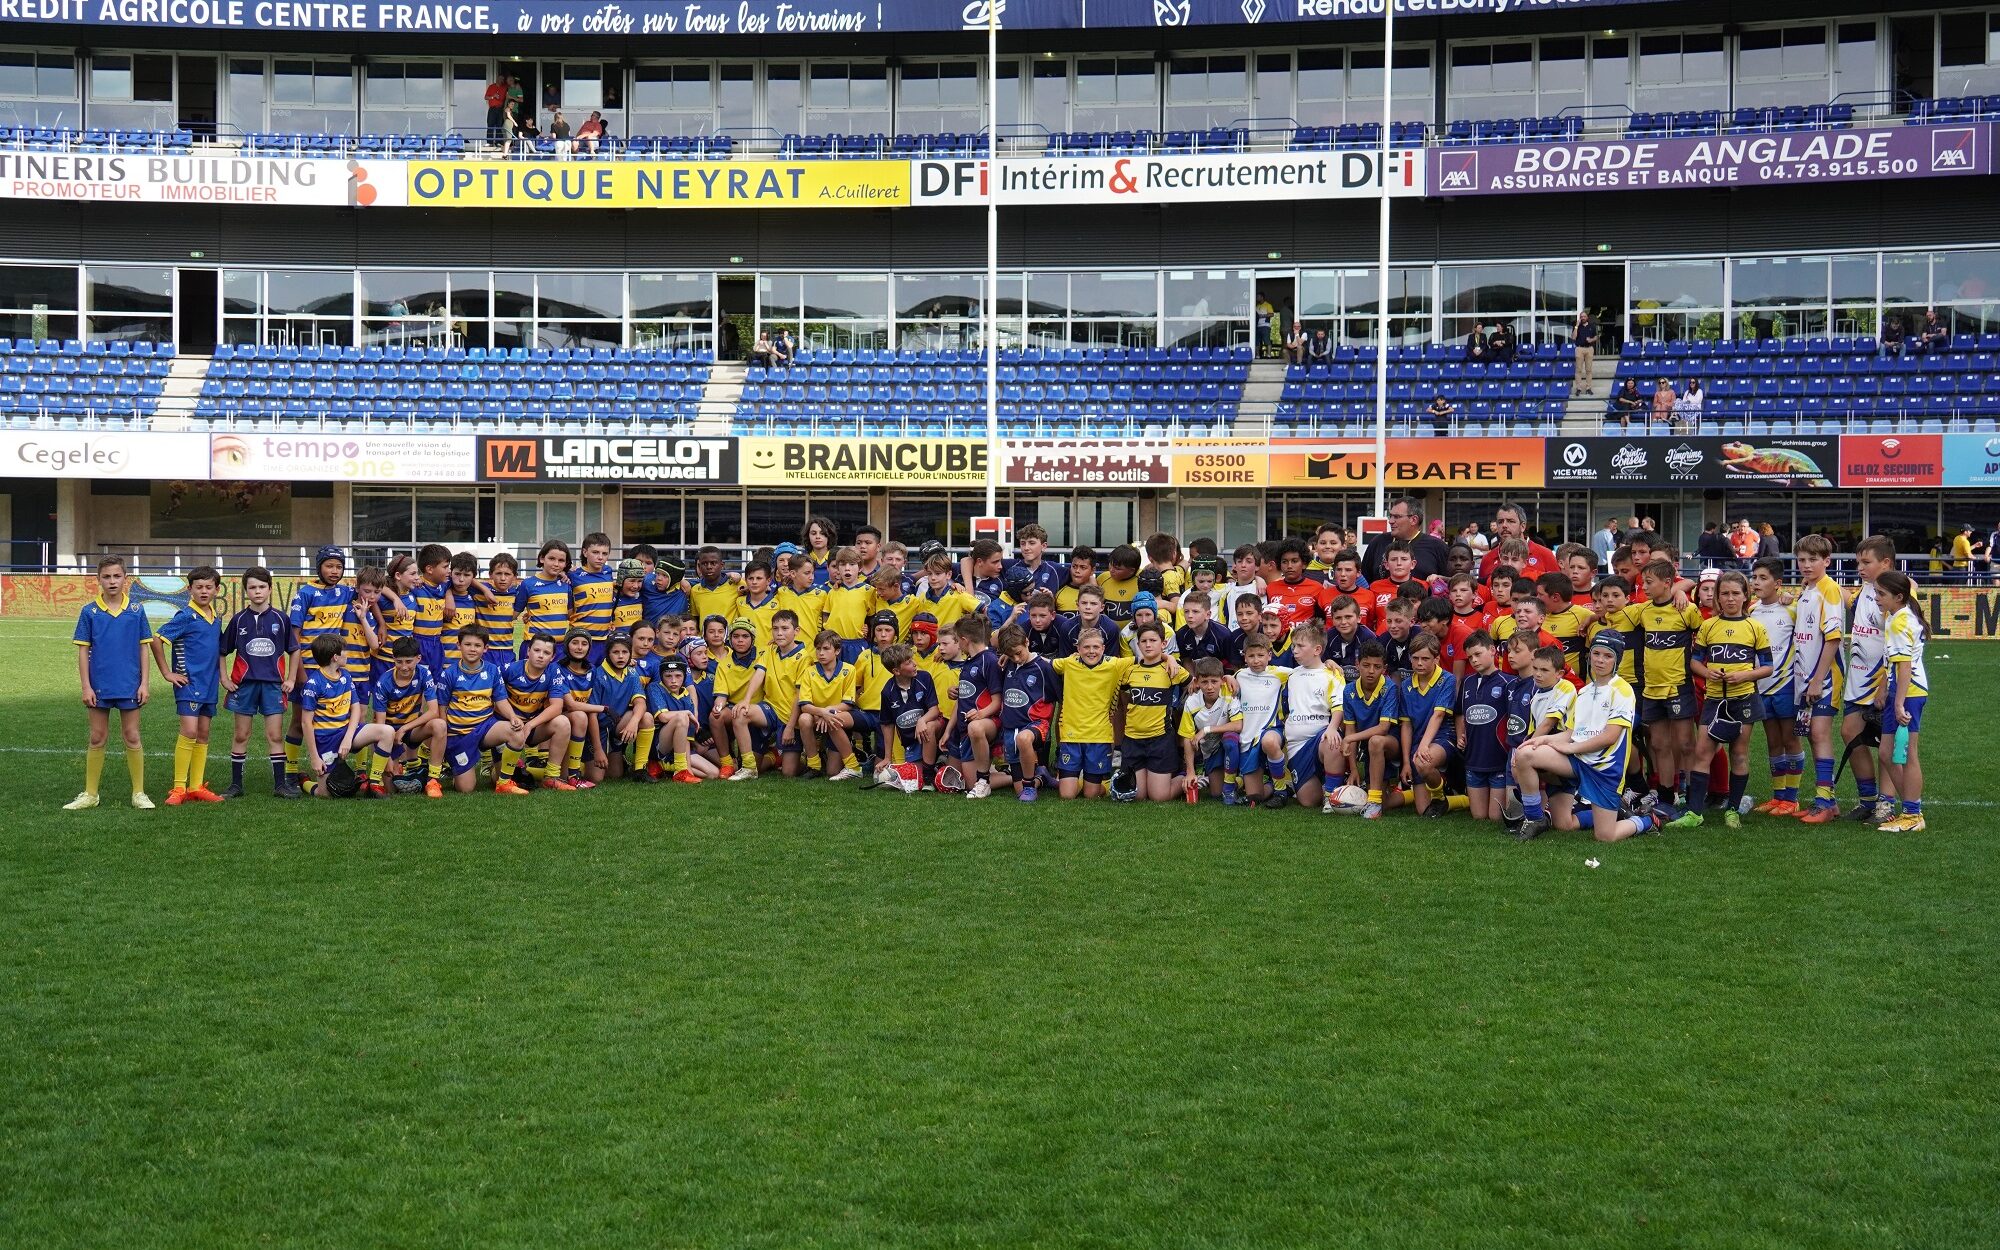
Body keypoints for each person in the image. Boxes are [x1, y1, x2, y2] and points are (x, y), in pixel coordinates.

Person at [1512, 631, 1671, 842]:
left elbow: (1610, 737)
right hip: (1577, 761)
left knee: (1605, 836)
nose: (1600, 660)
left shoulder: (1623, 690)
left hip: (1604, 770)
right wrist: (1543, 740)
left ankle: (1647, 821)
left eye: (1608, 656)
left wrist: (1571, 748)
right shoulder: (1584, 692)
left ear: (1617, 660)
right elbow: (1571, 733)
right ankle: (1534, 819)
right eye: (1596, 654)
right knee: (1525, 755)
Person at [66, 556, 164, 811]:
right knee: (97, 737)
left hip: (129, 684)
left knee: (132, 736)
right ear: (98, 580)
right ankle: (90, 794)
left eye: (116, 576)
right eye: (106, 576)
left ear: (125, 579)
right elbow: (83, 652)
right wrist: (86, 686)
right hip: (99, 685)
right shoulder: (90, 611)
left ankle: (139, 793)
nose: (112, 581)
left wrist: (144, 683)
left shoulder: (136, 611)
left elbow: (144, 649)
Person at [156, 565, 228, 805]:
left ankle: (196, 786)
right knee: (189, 731)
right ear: (190, 590)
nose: (204, 591)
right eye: (199, 587)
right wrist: (168, 672)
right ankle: (178, 788)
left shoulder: (215, 618)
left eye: (209, 587)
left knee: (203, 734)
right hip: (189, 683)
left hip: (209, 685)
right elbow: (157, 639)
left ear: (217, 590)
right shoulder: (185, 616)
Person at [1873, 570, 1929, 831]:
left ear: (1898, 596)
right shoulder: (1901, 612)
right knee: (1886, 753)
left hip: (1909, 694)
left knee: (1906, 755)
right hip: (1901, 691)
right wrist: (1886, 689)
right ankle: (1910, 807)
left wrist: (1898, 703)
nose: (1876, 598)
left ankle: (1913, 814)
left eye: (1881, 594)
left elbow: (1904, 667)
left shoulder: (1897, 622)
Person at [1361, 496, 1451, 582]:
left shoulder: (1437, 546)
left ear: (1413, 520)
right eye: (1390, 516)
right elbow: (1363, 580)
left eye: (1396, 517)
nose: (1390, 521)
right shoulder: (1378, 542)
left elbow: (1451, 583)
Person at [1573, 309, 1598, 395]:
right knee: (1578, 370)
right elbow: (1573, 337)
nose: (1583, 318)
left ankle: (1588, 388)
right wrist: (1576, 326)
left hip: (1589, 349)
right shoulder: (1577, 327)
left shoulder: (1592, 326)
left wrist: (1591, 340)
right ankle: (1578, 388)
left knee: (1588, 370)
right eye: (1581, 317)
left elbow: (1596, 337)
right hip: (1579, 348)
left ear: (1587, 317)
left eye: (1584, 316)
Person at [484, 74, 510, 145]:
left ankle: (498, 142)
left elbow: (511, 86)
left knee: (499, 125)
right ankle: (489, 142)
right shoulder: (491, 87)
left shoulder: (504, 87)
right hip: (492, 109)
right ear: (497, 79)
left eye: (502, 79)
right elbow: (486, 97)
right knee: (490, 125)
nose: (501, 80)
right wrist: (493, 96)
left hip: (500, 109)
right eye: (500, 79)